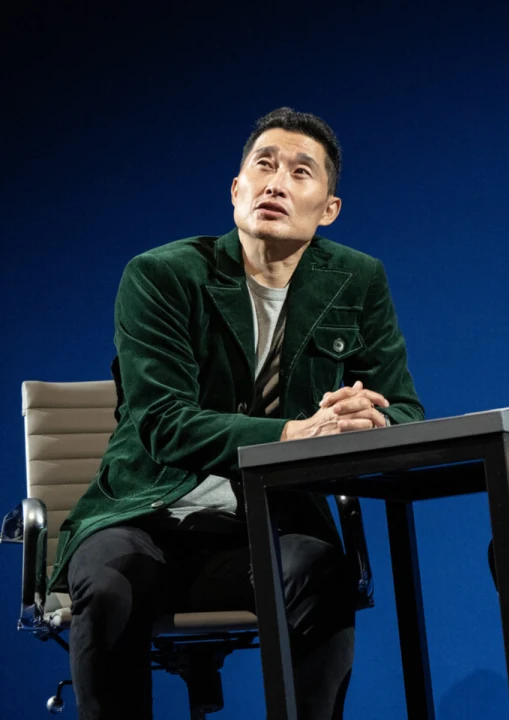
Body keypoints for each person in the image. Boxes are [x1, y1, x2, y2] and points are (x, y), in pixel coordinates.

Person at [48, 107, 424, 720]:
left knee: (323, 572)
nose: (276, 182)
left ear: (328, 208)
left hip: (264, 529)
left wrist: (370, 418)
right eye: (264, 165)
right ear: (236, 190)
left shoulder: (356, 280)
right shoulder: (162, 275)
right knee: (111, 584)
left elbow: (404, 407)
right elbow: (163, 420)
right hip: (144, 516)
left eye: (301, 172)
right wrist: (292, 432)